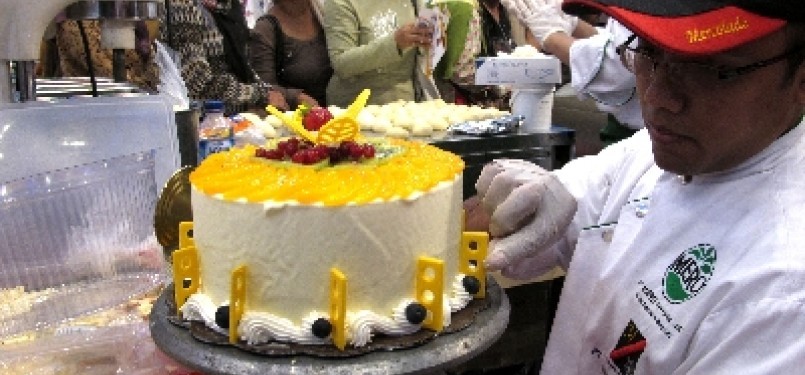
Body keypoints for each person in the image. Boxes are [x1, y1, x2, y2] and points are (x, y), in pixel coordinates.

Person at [468, 0, 805, 373]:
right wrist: (511, 202)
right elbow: (489, 224)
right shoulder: (645, 152)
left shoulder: (782, 292)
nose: (658, 96)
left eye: (710, 70)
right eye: (647, 50)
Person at [502, 0, 642, 145]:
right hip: (623, 127)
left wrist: (552, 38)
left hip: (643, 134)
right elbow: (614, 41)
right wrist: (572, 24)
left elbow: (620, 66)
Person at [161, 0, 285, 113]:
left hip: (237, 120)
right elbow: (197, 81)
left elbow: (244, 67)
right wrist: (259, 95)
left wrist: (267, 92)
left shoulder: (229, 5)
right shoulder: (184, 6)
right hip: (205, 122)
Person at [322, 0, 434, 107]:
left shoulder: (416, 3)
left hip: (407, 106)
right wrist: (395, 43)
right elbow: (342, 64)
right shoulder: (341, 3)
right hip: (356, 109)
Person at [249, 0, 333, 110]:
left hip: (339, 113)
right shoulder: (265, 29)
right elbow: (263, 88)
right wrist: (295, 97)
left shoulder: (327, 15)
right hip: (295, 119)